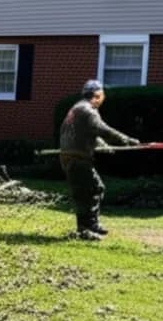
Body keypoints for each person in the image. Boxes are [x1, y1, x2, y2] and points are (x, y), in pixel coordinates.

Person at [59, 80, 139, 240]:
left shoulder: (77, 108)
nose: (103, 97)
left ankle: (90, 225)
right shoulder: (88, 110)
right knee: (90, 190)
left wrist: (103, 146)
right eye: (102, 94)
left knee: (91, 190)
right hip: (77, 158)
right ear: (98, 95)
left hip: (71, 156)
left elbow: (88, 132)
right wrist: (126, 139)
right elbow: (102, 129)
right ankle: (86, 229)